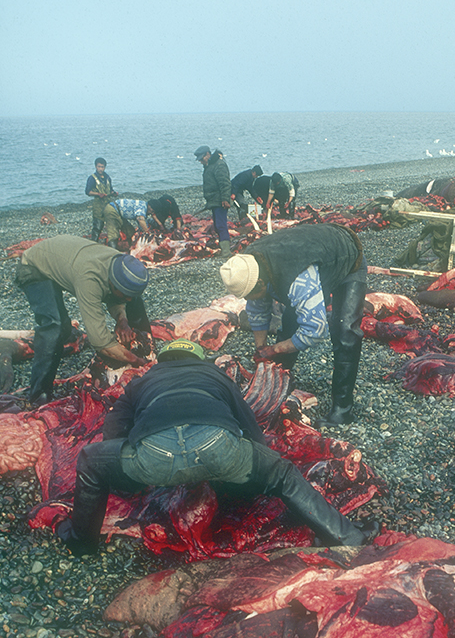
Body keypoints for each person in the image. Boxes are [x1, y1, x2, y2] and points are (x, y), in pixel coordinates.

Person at [55, 338, 375, 556]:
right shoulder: (214, 374)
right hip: (216, 445)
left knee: (90, 460)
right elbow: (251, 430)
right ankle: (349, 539)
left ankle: (82, 543)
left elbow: (114, 430)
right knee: (281, 473)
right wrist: (248, 477)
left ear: (164, 360)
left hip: (154, 454)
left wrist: (128, 478)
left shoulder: (143, 381)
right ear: (198, 358)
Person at [220, 224, 367, 425]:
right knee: (290, 323)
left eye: (252, 293)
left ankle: (343, 410)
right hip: (312, 259)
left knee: (345, 332)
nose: (250, 298)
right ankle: (277, 385)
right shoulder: (247, 267)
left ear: (261, 283)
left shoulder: (298, 280)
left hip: (346, 256)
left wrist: (274, 349)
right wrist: (261, 348)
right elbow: (257, 309)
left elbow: (315, 330)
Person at [14, 235, 151, 404]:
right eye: (124, 294)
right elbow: (101, 342)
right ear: (112, 282)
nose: (127, 299)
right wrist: (136, 361)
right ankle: (38, 394)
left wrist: (122, 320)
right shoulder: (89, 279)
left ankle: (147, 349)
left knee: (133, 301)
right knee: (54, 326)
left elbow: (117, 297)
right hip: (35, 267)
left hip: (63, 258)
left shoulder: (121, 264)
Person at [195, 146, 232, 256]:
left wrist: (225, 199)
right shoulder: (209, 165)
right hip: (214, 200)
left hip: (220, 200)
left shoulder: (219, 165)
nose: (201, 162)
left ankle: (226, 251)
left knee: (221, 225)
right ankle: (222, 247)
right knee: (217, 225)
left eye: (202, 158)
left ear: (208, 154)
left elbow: (224, 183)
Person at [85, 158, 117, 241]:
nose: (100, 169)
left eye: (102, 167)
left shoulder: (107, 178)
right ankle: (94, 243)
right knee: (98, 226)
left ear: (105, 167)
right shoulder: (92, 178)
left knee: (111, 224)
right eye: (99, 167)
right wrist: (98, 194)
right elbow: (88, 192)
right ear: (96, 166)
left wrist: (113, 193)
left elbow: (110, 189)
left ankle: (111, 242)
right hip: (98, 205)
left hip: (108, 204)